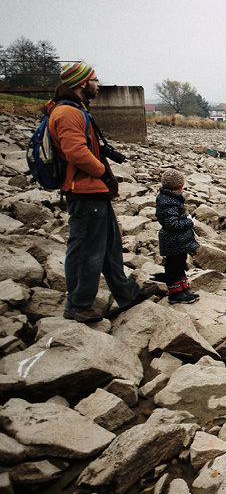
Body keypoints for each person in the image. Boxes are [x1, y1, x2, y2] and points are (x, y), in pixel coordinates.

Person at [47, 62, 146, 322]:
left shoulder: (74, 110)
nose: (98, 85)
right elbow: (76, 152)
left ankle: (126, 293)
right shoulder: (68, 113)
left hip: (94, 193)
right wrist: (102, 170)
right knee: (87, 250)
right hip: (85, 191)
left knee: (110, 247)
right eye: (95, 80)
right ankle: (78, 305)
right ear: (82, 83)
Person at [156, 169, 200, 304]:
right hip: (173, 241)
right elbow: (173, 225)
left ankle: (183, 289)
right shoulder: (169, 202)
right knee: (174, 267)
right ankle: (175, 293)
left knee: (180, 265)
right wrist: (189, 222)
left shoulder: (169, 199)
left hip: (177, 242)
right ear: (179, 186)